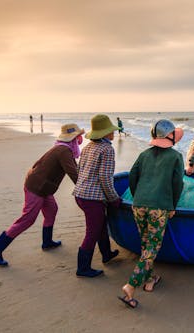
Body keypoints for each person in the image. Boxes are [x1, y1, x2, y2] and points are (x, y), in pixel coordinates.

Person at [0, 124, 85, 266]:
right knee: (27, 219)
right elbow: (73, 173)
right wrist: (85, 188)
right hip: (36, 187)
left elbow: (73, 168)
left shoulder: (62, 148)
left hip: (43, 187)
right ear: (74, 139)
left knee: (52, 210)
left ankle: (47, 242)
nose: (79, 140)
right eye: (77, 137)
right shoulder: (64, 150)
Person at [119, 119, 184, 309]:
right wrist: (172, 205)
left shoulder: (144, 154)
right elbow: (177, 184)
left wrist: (137, 195)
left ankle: (150, 280)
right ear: (170, 136)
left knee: (146, 243)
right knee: (152, 247)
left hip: (138, 204)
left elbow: (132, 176)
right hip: (160, 206)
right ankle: (131, 285)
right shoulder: (175, 157)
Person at [73, 114, 122, 278]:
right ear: (105, 133)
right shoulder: (107, 149)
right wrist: (114, 198)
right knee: (92, 232)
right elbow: (105, 178)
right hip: (92, 198)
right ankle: (83, 268)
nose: (113, 133)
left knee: (101, 224)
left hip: (80, 194)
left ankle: (106, 254)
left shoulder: (88, 147)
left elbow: (79, 170)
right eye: (111, 131)